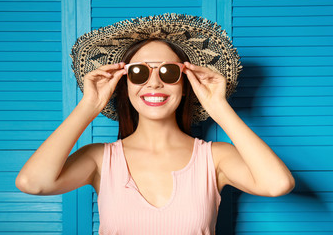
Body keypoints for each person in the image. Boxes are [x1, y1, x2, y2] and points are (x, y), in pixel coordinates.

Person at [16, 13, 295, 234]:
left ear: (186, 85)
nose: (153, 82)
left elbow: (277, 184)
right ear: (124, 85)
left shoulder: (215, 158)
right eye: (138, 72)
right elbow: (32, 183)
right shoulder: (100, 158)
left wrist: (218, 106)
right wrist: (89, 105)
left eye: (168, 71)